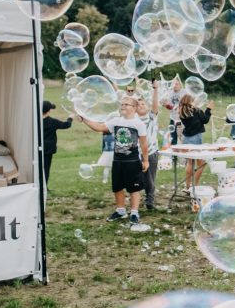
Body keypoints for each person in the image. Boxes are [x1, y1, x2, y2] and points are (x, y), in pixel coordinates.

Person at [79, 96, 149, 225]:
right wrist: (85, 120)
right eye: (122, 104)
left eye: (126, 104)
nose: (123, 106)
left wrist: (146, 161)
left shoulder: (139, 124)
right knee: (117, 187)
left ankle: (134, 213)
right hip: (117, 160)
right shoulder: (116, 121)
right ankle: (121, 210)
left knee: (134, 188)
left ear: (134, 108)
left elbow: (144, 144)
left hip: (132, 161)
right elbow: (99, 128)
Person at [178, 94, 213, 192]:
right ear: (189, 102)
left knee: (190, 163)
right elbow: (205, 120)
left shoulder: (182, 111)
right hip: (196, 139)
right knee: (202, 164)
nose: (195, 102)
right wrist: (208, 109)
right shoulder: (196, 111)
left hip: (187, 139)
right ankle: (195, 186)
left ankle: (187, 186)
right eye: (193, 100)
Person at [136, 85, 160, 211]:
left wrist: (155, 90)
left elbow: (155, 106)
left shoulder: (152, 118)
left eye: (143, 104)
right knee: (138, 178)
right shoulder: (133, 120)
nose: (141, 106)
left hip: (151, 153)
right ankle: (136, 199)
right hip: (137, 154)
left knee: (150, 178)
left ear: (148, 107)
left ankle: (149, 200)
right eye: (138, 105)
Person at [41, 100, 72, 187]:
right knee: (46, 169)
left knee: (38, 169)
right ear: (49, 110)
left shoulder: (36, 122)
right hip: (48, 150)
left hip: (38, 149)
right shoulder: (52, 122)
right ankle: (44, 187)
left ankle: (39, 186)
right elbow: (66, 125)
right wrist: (70, 118)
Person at [161, 77, 188, 146]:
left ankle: (184, 152)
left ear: (180, 85)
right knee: (173, 137)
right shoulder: (170, 93)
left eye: (176, 84)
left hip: (182, 118)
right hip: (173, 118)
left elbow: (189, 104)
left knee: (182, 137)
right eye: (173, 84)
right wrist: (166, 105)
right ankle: (174, 155)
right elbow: (168, 105)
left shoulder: (184, 92)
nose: (175, 85)